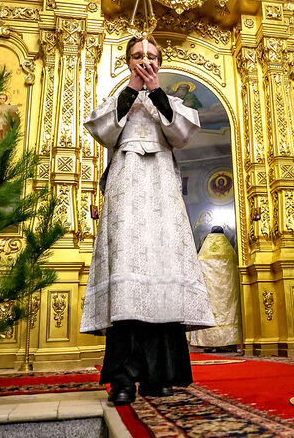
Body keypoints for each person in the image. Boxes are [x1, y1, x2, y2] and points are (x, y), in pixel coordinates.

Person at [81, 35, 215, 405]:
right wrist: (133, 91)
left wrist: (155, 93)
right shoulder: (117, 99)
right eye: (138, 56)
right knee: (128, 274)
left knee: (162, 271)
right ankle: (123, 376)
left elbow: (183, 134)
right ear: (128, 63)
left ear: (160, 63)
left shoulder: (171, 102)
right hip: (126, 188)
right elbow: (102, 131)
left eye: (152, 57)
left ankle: (160, 374)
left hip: (162, 192)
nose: (145, 61)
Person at [188, 226, 241, 352]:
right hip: (226, 297)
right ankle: (226, 342)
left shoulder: (203, 254)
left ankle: (209, 343)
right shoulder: (230, 254)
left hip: (211, 295)